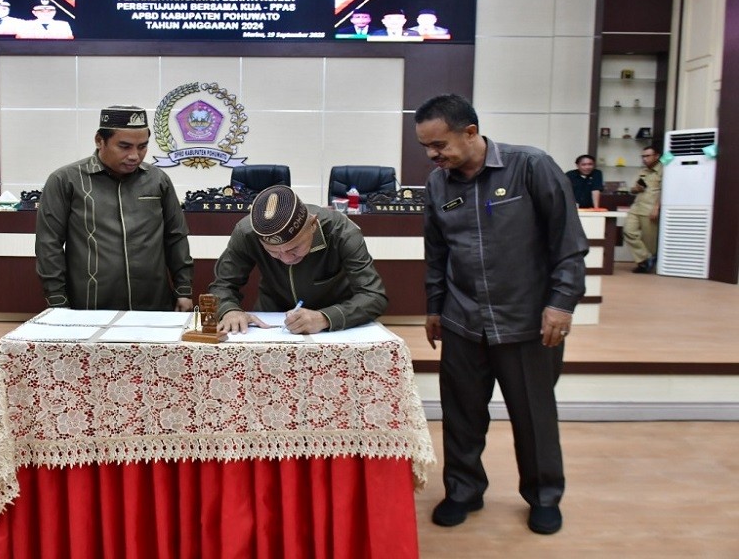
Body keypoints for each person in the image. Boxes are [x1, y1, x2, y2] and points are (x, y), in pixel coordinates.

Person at [416, 94, 587, 535]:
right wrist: (434, 307)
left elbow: (568, 243)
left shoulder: (531, 167)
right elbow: (436, 253)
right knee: (461, 414)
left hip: (526, 321)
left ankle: (544, 495)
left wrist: (561, 303)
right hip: (462, 319)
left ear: (470, 132)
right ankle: (463, 490)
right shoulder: (438, 184)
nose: (433, 155)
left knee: (534, 415)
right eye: (426, 147)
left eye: (439, 145)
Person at [35, 105, 194, 311]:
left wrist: (183, 289)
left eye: (142, 146)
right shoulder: (66, 180)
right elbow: (49, 244)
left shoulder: (157, 180)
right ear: (99, 140)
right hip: (89, 304)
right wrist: (56, 300)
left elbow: (176, 236)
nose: (134, 156)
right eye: (124, 146)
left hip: (153, 302)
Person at [209, 184, 387, 334]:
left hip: (333, 323)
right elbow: (222, 285)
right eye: (274, 252)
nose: (286, 259)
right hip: (271, 321)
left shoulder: (341, 232)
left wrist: (325, 318)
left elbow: (373, 296)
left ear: (313, 225)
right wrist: (229, 310)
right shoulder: (247, 233)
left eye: (294, 248)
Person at [623, 145, 663, 273]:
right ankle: (646, 259)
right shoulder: (643, 171)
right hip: (636, 206)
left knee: (649, 240)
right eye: (643, 156)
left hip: (650, 208)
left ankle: (645, 264)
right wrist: (636, 189)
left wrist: (656, 207)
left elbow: (665, 191)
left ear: (656, 156)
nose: (644, 159)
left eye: (647, 156)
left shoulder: (663, 170)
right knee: (628, 231)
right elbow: (633, 189)